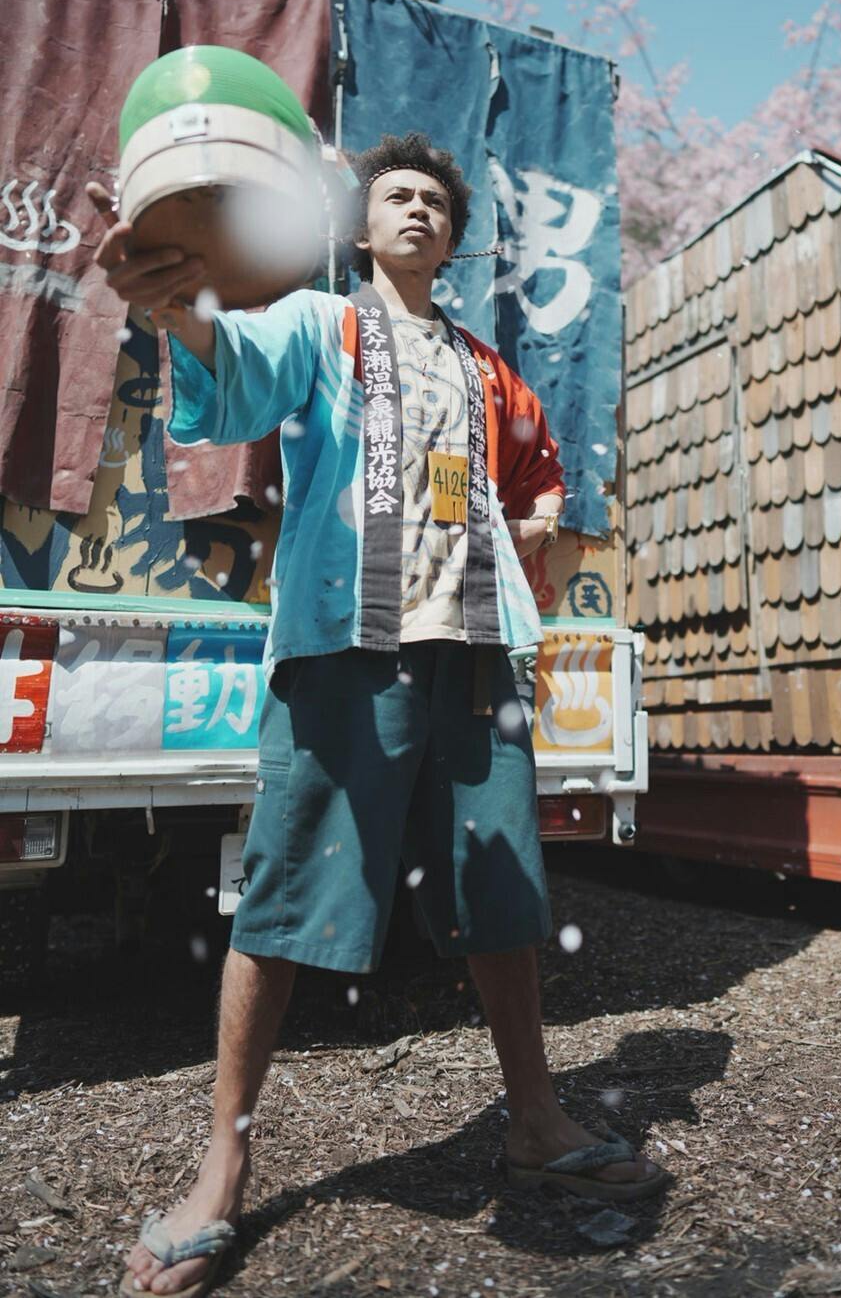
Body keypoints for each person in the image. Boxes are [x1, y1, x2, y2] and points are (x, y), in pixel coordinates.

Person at [88, 132, 663, 1298]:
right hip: (349, 647)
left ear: (452, 242)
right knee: (284, 893)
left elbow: (533, 473)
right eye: (395, 196)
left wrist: (534, 514)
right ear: (360, 229)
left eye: (436, 204)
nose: (416, 211)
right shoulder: (319, 325)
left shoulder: (485, 367)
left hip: (478, 656)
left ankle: (534, 1119)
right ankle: (223, 1167)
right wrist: (178, 308)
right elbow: (228, 372)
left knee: (503, 897)